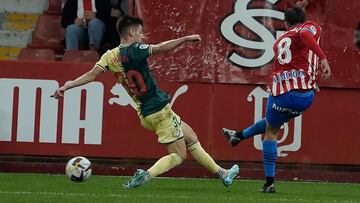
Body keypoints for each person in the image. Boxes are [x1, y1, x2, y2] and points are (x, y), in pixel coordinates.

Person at [53, 14, 239, 189]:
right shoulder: (135, 50)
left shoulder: (110, 56)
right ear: (132, 32)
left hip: (145, 111)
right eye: (140, 32)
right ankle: (146, 175)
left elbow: (91, 75)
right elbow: (160, 47)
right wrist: (186, 39)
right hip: (159, 110)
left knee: (190, 136)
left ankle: (223, 174)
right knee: (178, 155)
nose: (142, 37)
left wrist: (67, 86)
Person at [221, 7, 331, 193]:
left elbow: (302, 35)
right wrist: (321, 62)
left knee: (271, 132)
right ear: (304, 19)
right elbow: (305, 35)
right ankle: (238, 135)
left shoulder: (280, 41)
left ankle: (269, 183)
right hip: (305, 97)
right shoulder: (312, 26)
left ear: (286, 23)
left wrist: (322, 58)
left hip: (282, 92)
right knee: (272, 123)